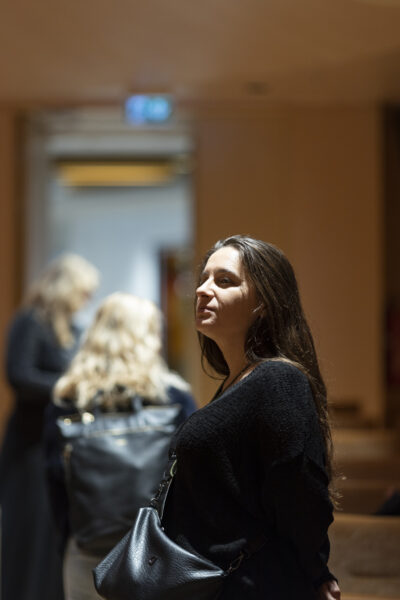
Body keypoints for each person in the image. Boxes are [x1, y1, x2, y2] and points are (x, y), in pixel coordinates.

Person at [162, 235, 341, 600]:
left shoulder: (278, 379)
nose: (203, 290)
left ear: (263, 303)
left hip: (252, 585)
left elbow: (301, 492)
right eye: (203, 278)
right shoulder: (237, 382)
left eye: (224, 281)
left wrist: (317, 571)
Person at [45, 292, 197, 600]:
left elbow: (55, 479)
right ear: (149, 337)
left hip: (87, 549)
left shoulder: (68, 398)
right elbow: (191, 478)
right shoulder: (174, 397)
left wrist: (66, 540)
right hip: (155, 553)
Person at [0, 253, 99, 600]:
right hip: (29, 447)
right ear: (66, 288)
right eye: (83, 292)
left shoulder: (72, 329)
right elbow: (19, 376)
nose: (86, 300)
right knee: (27, 534)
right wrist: (69, 387)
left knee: (51, 536)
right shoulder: (31, 321)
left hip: (58, 444)